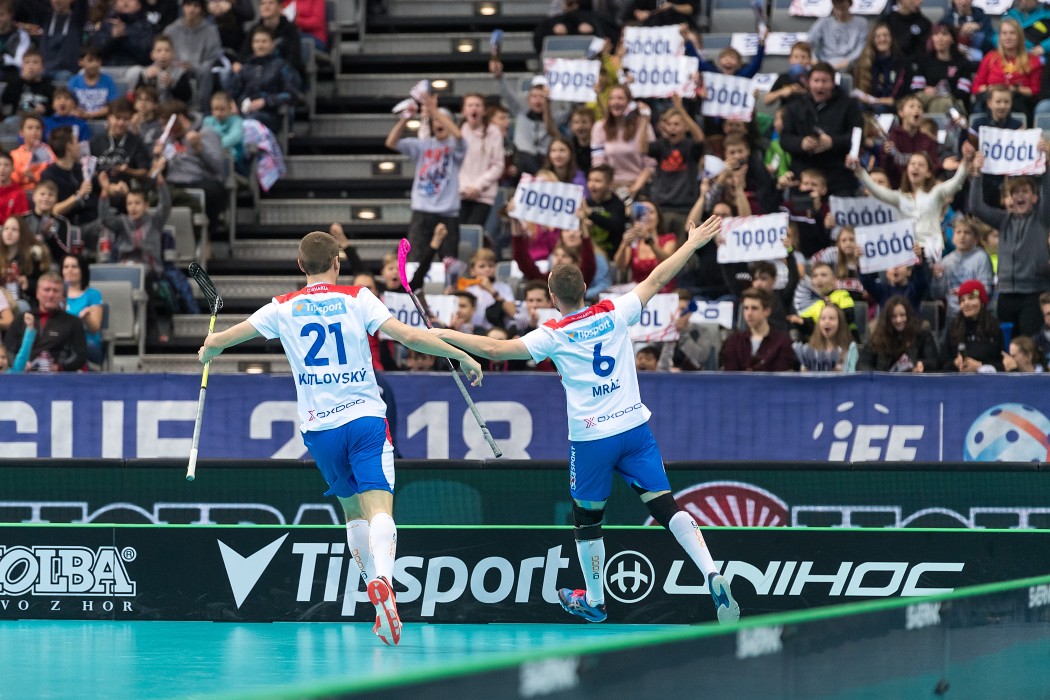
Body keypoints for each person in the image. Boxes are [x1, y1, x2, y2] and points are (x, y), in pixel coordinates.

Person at [431, 214, 741, 625]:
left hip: (592, 440)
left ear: (552, 295)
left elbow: (497, 348)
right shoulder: (615, 310)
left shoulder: (554, 333)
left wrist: (445, 336)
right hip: (634, 429)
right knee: (666, 505)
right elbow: (658, 277)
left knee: (588, 521)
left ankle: (595, 599)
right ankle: (712, 572)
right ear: (585, 289)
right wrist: (691, 243)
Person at [197, 230, 484, 646]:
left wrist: (209, 348)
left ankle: (375, 597)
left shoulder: (282, 307)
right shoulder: (358, 297)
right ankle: (384, 582)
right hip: (364, 419)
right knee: (380, 505)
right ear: (336, 261)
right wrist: (461, 354)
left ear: (300, 266)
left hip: (320, 429)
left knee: (353, 514)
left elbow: (223, 340)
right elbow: (408, 336)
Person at [968, 146, 1050, 337]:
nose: (1020, 195)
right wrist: (977, 173)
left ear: (1035, 197)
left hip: (1034, 293)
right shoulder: (1004, 220)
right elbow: (976, 207)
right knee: (1008, 347)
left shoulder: (1042, 218)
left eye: (1025, 191)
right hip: (1005, 294)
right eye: (1016, 192)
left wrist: (1047, 164)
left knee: (1027, 346)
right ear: (1011, 199)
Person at [850, 148, 970, 262]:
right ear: (907, 169)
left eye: (921, 165)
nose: (916, 167)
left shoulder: (936, 192)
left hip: (931, 250)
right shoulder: (900, 197)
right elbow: (876, 191)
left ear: (928, 173)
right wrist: (859, 171)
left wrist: (965, 162)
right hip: (907, 250)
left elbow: (955, 183)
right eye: (912, 164)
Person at [386, 93, 465, 262]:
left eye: (443, 119)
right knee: (415, 259)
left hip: (448, 213)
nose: (438, 122)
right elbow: (391, 142)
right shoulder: (423, 144)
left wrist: (434, 111)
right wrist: (405, 118)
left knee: (449, 260)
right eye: (435, 120)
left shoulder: (456, 146)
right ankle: (415, 289)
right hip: (422, 210)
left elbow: (458, 135)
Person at [781, 62, 864, 196]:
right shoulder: (794, 107)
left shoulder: (849, 105)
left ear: (833, 83)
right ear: (809, 82)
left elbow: (858, 137)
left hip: (838, 174)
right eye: (816, 81)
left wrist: (833, 142)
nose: (820, 86)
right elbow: (785, 139)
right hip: (804, 174)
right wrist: (801, 143)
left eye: (824, 81)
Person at [3, 271, 86, 371]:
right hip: (23, 376)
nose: (51, 295)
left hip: (59, 378)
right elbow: (8, 350)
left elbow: (80, 356)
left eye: (55, 291)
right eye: (47, 290)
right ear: (37, 293)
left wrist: (59, 367)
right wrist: (19, 365)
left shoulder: (73, 322)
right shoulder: (22, 319)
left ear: (62, 295)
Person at [229, 26, 302, 134]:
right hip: (245, 113)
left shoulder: (281, 66)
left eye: (264, 41)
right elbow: (233, 93)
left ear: (272, 44)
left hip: (271, 115)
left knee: (250, 121)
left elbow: (291, 95)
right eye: (256, 41)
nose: (260, 45)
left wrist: (265, 101)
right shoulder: (246, 68)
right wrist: (232, 103)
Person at [591, 85, 655, 201]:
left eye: (620, 98)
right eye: (612, 98)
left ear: (630, 102)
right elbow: (598, 163)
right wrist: (610, 187)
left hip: (639, 188)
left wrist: (633, 189)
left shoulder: (643, 125)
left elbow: (650, 164)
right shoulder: (599, 127)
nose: (615, 102)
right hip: (610, 189)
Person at [930, 215, 994, 327]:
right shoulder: (946, 261)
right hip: (953, 315)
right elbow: (937, 294)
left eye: (967, 232)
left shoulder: (981, 258)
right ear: (953, 237)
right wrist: (938, 278)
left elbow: (986, 291)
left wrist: (966, 291)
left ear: (975, 238)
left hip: (976, 315)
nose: (962, 236)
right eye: (958, 232)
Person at [972, 18, 1041, 116]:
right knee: (981, 104)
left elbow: (1035, 90)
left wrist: (1016, 89)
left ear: (1020, 36)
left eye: (1012, 33)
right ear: (999, 37)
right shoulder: (990, 57)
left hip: (1019, 101)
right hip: (991, 102)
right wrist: (991, 89)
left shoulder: (1032, 60)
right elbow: (976, 87)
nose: (1008, 37)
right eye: (1004, 33)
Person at [721, 287, 797, 371]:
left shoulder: (782, 342)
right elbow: (730, 375)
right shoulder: (734, 341)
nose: (749, 313)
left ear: (767, 311)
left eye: (754, 308)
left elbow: (780, 377)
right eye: (746, 308)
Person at [858, 295, 939, 371]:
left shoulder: (922, 333)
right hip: (884, 383)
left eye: (902, 315)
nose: (898, 320)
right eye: (894, 316)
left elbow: (935, 362)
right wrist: (876, 377)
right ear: (888, 318)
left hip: (913, 382)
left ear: (908, 315)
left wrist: (921, 364)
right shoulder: (878, 336)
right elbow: (862, 363)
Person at [939, 279, 1003, 372]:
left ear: (981, 302)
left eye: (971, 298)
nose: (966, 303)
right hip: (958, 382)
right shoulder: (954, 326)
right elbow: (941, 363)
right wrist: (955, 364)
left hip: (989, 383)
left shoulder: (994, 327)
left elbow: (1005, 364)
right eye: (962, 300)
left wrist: (981, 366)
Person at [851, 21, 914, 113]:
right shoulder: (864, 63)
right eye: (878, 36)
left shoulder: (902, 64)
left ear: (892, 38)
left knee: (879, 108)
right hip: (868, 103)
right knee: (859, 107)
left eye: (886, 35)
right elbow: (859, 90)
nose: (883, 39)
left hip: (894, 105)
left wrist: (877, 101)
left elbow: (898, 97)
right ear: (873, 40)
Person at [61, 253, 104, 365]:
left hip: (87, 342)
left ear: (82, 270)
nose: (69, 270)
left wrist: (86, 318)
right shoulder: (57, 295)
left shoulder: (93, 295)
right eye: (66, 267)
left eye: (74, 267)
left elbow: (95, 328)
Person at [793, 303, 858, 371]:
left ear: (840, 323)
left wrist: (841, 373)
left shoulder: (850, 349)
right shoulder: (809, 349)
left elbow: (853, 376)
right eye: (823, 318)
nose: (827, 322)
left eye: (831, 318)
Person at [809, 0, 868, 72]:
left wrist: (849, 61)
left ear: (850, 4)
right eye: (836, 8)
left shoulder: (861, 23)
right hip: (824, 63)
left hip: (848, 64)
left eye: (843, 8)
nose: (839, 12)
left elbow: (861, 47)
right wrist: (814, 59)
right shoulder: (823, 22)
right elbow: (808, 43)